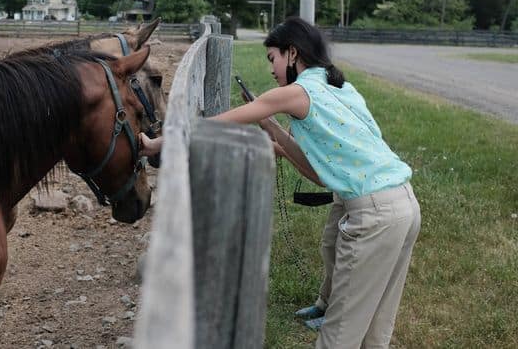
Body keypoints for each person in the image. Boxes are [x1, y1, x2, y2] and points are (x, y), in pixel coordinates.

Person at [140, 17, 421, 348]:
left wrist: (159, 143)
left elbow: (214, 125)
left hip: (373, 217)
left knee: (339, 334)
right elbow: (319, 174)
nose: (272, 69)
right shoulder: (341, 87)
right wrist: (274, 133)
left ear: (292, 53)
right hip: (404, 206)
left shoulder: (296, 92)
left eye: (272, 58)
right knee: (375, 332)